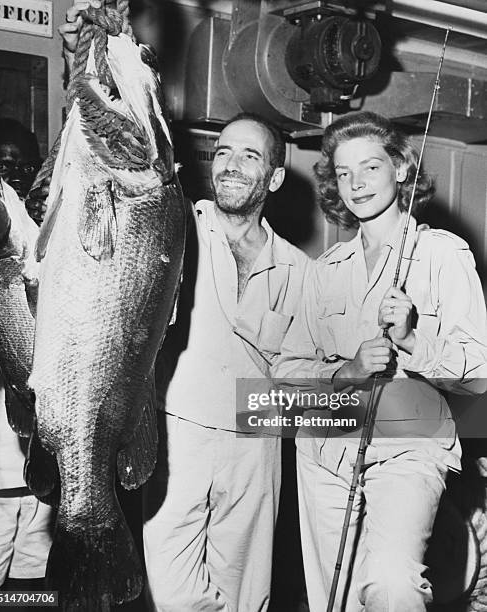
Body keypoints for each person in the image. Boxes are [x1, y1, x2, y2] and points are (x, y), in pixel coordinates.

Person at [59, 4, 310, 610]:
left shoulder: (304, 272)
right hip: (178, 441)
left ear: (274, 178)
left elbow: (310, 373)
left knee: (247, 597)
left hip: (258, 448)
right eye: (223, 151)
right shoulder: (176, 225)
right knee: (172, 596)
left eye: (249, 155)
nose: (229, 163)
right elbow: (106, 142)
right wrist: (86, 51)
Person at [273, 111, 487, 612]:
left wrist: (413, 338)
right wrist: (345, 371)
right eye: (343, 173)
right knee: (335, 598)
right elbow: (287, 373)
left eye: (370, 167)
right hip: (326, 448)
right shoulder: (325, 270)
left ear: (401, 169)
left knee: (393, 585)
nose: (356, 183)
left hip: (411, 444)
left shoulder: (440, 253)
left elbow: (478, 372)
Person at [0, 122, 54, 596]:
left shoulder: (45, 233)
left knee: (33, 583)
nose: (13, 175)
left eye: (24, 166)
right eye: (3, 164)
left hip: (42, 459)